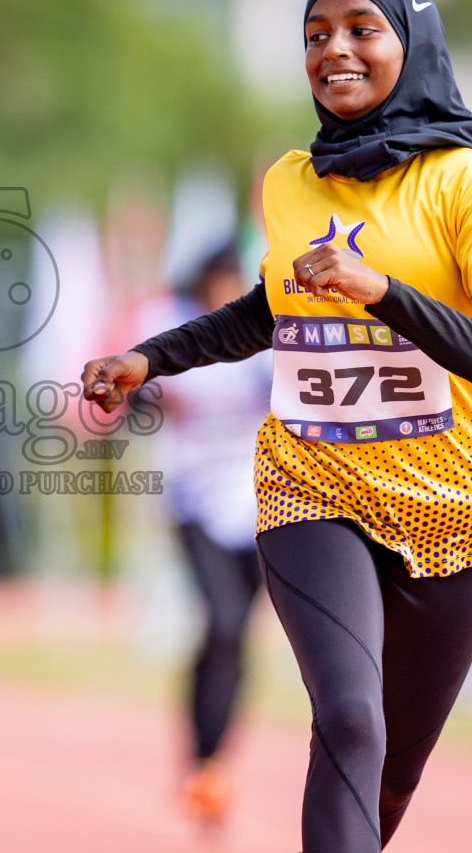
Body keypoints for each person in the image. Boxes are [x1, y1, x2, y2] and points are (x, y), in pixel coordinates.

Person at [81, 0, 472, 852]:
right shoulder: (290, 181)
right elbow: (270, 309)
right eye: (315, 34)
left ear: (411, 43)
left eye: (361, 29)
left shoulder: (469, 184)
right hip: (312, 486)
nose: (334, 49)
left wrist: (381, 291)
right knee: (350, 717)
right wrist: (151, 357)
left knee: (392, 772)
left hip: (457, 508)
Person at [131, 241, 273, 826]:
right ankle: (201, 756)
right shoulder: (172, 325)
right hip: (194, 499)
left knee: (239, 634)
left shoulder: (265, 333)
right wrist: (162, 400)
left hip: (261, 502)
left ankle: (214, 761)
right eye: (219, 282)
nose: (226, 293)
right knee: (222, 619)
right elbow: (136, 392)